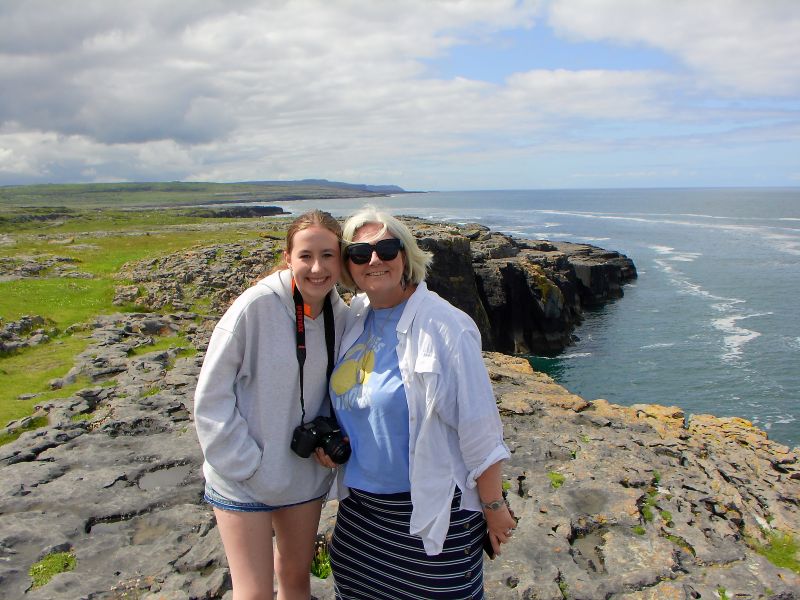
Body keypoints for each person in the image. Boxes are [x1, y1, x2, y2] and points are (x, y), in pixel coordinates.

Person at [318, 207, 516, 599]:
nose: (374, 260)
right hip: (361, 519)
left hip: (430, 516)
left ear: (405, 256)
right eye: (359, 254)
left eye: (386, 249)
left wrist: (494, 507)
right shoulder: (353, 319)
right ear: (349, 266)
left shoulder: (446, 326)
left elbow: (480, 430)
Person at [194, 209, 348, 600]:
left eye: (328, 255)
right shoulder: (254, 308)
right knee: (254, 593)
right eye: (306, 256)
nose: (317, 267)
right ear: (288, 258)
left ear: (342, 258)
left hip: (301, 475)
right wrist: (249, 464)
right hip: (243, 479)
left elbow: (343, 390)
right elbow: (211, 398)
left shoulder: (340, 315)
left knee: (296, 582)